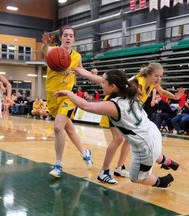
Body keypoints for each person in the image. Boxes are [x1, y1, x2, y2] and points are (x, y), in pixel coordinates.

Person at [55, 69, 179, 188]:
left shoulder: (114, 105)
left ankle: (162, 182)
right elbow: (106, 81)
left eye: (103, 83)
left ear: (113, 86)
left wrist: (68, 93)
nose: (101, 85)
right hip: (153, 133)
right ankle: (166, 161)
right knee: (147, 150)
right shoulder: (131, 92)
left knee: (136, 177)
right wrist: (85, 74)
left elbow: (85, 105)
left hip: (145, 145)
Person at [41, 25, 93, 178]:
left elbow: (80, 70)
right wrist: (45, 45)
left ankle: (58, 164)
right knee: (69, 129)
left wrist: (91, 73)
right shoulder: (53, 51)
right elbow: (44, 52)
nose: (68, 38)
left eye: (71, 35)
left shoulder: (77, 56)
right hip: (52, 96)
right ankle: (85, 152)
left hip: (68, 96)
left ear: (74, 39)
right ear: (60, 37)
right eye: (65, 35)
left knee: (58, 127)